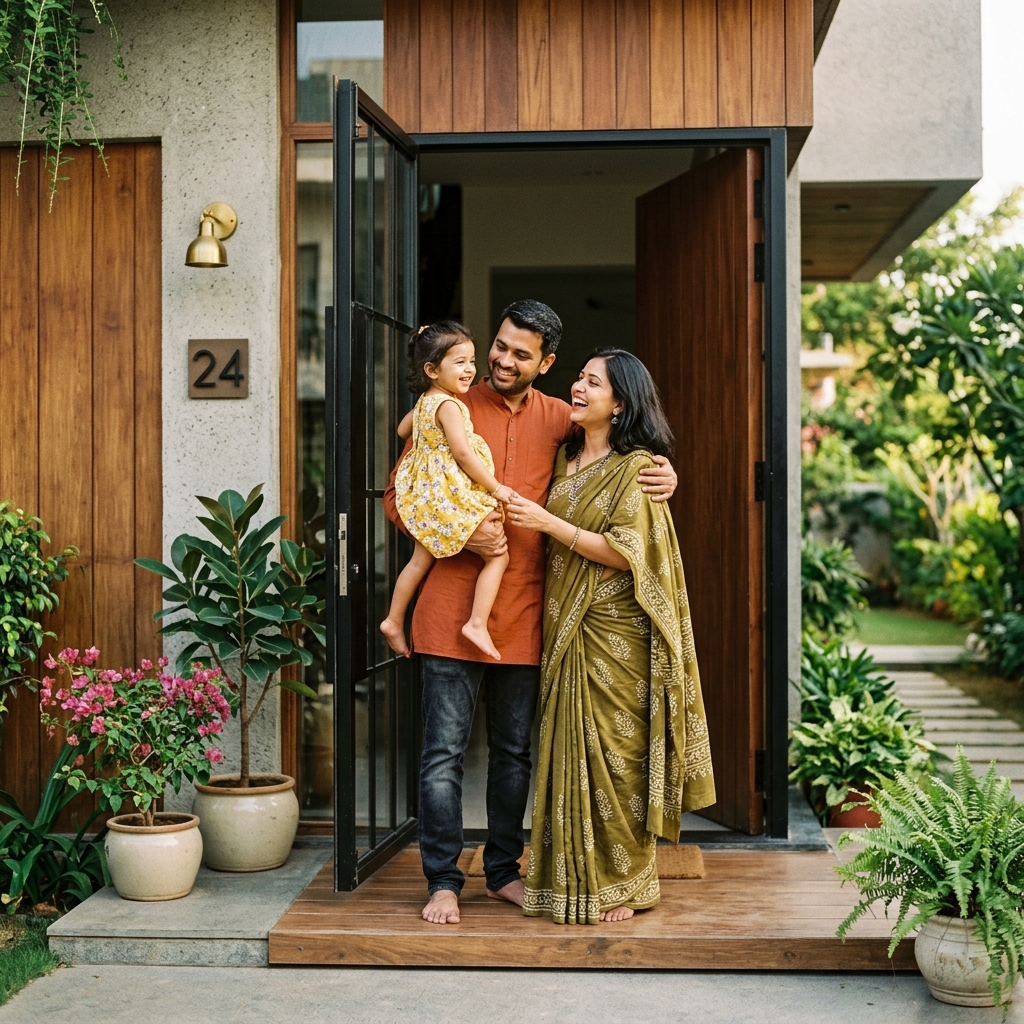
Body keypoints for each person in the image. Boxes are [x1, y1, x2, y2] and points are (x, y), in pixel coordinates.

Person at [382, 300, 679, 926]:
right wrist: (461, 536)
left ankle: (499, 871)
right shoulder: (450, 405)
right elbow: (397, 497)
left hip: (525, 613)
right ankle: (441, 880)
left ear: (545, 363)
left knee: (514, 753)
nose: (503, 360)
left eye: (522, 354)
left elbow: (615, 450)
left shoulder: (560, 419)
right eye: (499, 346)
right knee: (442, 754)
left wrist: (666, 471)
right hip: (445, 609)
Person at [506, 348, 715, 925]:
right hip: (563, 626)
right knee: (565, 747)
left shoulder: (639, 467)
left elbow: (629, 552)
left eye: (591, 382)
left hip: (614, 630)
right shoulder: (562, 454)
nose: (578, 386)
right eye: (578, 377)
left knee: (618, 755)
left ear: (619, 404)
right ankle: (567, 878)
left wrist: (551, 524)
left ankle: (622, 882)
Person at [380, 321, 513, 661]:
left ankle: (394, 620)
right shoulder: (450, 406)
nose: (470, 369)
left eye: (471, 361)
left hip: (423, 494)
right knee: (498, 555)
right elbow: (463, 453)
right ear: (431, 369)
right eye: (460, 362)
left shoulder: (427, 401)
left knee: (418, 560)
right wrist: (496, 488)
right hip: (446, 494)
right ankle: (477, 623)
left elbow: (401, 429)